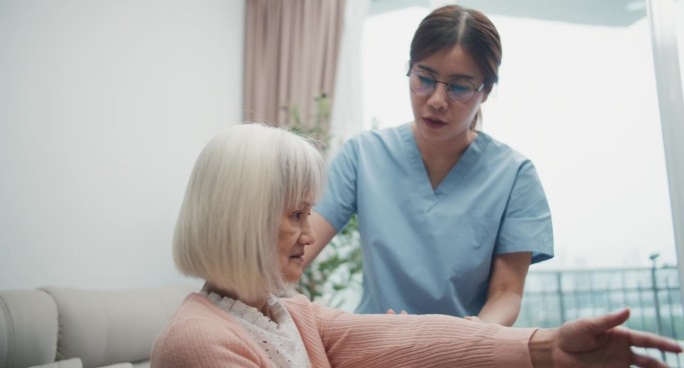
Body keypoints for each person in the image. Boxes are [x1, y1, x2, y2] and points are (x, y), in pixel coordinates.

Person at [150, 123, 681, 368]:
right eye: (296, 215)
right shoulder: (199, 343)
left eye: (309, 213)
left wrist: (546, 348)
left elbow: (398, 335)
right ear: (241, 220)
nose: (310, 236)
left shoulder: (287, 316)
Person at [303, 4, 552, 325]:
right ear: (410, 70)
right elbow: (300, 242)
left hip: (461, 349)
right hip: (375, 344)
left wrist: (471, 339)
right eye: (424, 79)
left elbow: (506, 292)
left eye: (459, 87)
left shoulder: (515, 176)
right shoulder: (362, 155)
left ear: (486, 92)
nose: (436, 100)